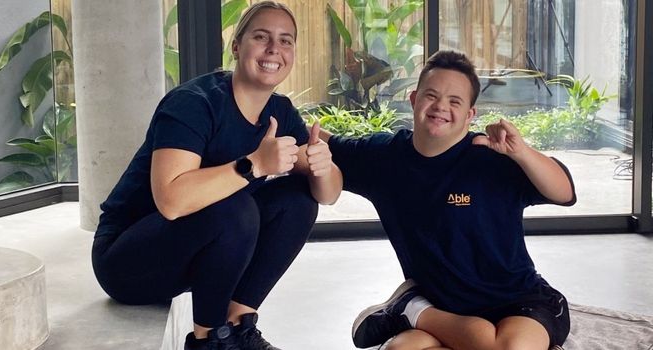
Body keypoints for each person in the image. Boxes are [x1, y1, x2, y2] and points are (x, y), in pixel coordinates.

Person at [91, 2, 342, 350]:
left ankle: (237, 326)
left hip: (189, 256)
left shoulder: (279, 111)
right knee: (234, 207)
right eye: (261, 37)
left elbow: (328, 195)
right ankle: (209, 341)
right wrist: (253, 164)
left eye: (286, 41)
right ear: (237, 46)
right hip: (127, 260)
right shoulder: (193, 104)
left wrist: (321, 164)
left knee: (297, 199)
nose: (274, 49)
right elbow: (172, 201)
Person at [324, 50, 576, 350]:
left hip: (519, 303)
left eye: (455, 101)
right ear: (414, 99)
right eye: (431, 96)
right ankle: (417, 312)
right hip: (446, 307)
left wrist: (522, 152)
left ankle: (411, 311)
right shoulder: (385, 158)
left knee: (506, 348)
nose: (441, 106)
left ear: (470, 115)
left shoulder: (490, 157)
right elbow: (325, 143)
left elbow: (565, 193)